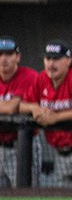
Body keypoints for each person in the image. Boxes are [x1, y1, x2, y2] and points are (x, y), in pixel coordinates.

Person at [19, 40, 72, 189]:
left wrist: (57, 117)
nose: (51, 64)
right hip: (59, 154)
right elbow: (20, 105)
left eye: (56, 59)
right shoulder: (42, 79)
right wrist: (34, 108)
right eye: (48, 59)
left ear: (68, 60)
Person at [0, 37, 39, 188]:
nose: (4, 59)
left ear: (17, 57)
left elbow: (12, 108)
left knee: (26, 194)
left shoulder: (29, 76)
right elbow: (9, 106)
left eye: (9, 54)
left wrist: (10, 105)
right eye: (0, 54)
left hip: (21, 146)